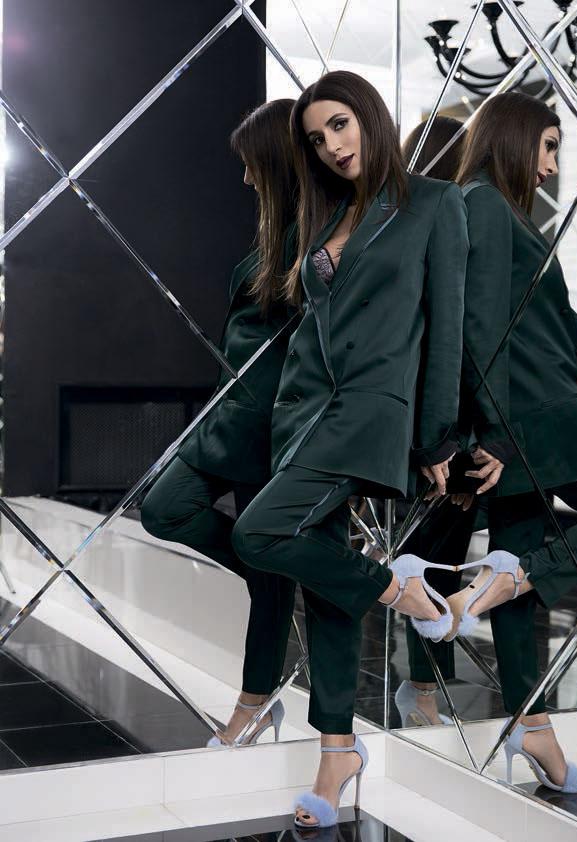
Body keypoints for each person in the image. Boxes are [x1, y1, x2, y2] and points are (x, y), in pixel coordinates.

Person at [231, 71, 468, 828]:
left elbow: (448, 329)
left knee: (257, 532)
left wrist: (437, 437)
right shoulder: (324, 212)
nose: (332, 146)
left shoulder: (434, 204)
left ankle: (399, 590)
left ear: (369, 115)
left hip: (367, 413)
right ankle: (336, 753)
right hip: (301, 412)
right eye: (316, 138)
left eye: (339, 124)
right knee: (327, 587)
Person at [415, 92, 577, 793]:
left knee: (514, 547)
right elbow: (479, 326)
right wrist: (491, 430)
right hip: (541, 417)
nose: (549, 167)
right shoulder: (485, 204)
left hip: (522, 418)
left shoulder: (486, 207)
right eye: (547, 146)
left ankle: (532, 724)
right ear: (515, 137)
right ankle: (504, 583)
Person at [140, 99, 299, 748]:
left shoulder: (312, 239)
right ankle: (275, 569)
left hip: (272, 429)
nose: (245, 177)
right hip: (231, 420)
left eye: (251, 164)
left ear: (276, 161)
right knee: (164, 509)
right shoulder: (275, 235)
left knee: (269, 576)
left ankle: (254, 704)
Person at [396, 115, 477, 729]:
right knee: (434, 556)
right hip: (444, 421)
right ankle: (421, 692)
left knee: (427, 553)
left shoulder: (400, 219)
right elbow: (453, 338)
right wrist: (447, 439)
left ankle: (422, 690)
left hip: (416, 414)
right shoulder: (450, 214)